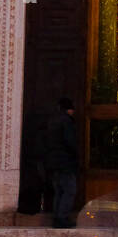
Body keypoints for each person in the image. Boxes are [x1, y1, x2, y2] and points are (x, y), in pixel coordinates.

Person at [45, 96, 78, 228]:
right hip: (65, 162)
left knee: (59, 190)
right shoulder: (66, 121)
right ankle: (62, 217)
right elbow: (70, 142)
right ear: (69, 109)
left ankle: (57, 217)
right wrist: (76, 156)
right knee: (69, 190)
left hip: (53, 161)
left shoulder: (52, 121)